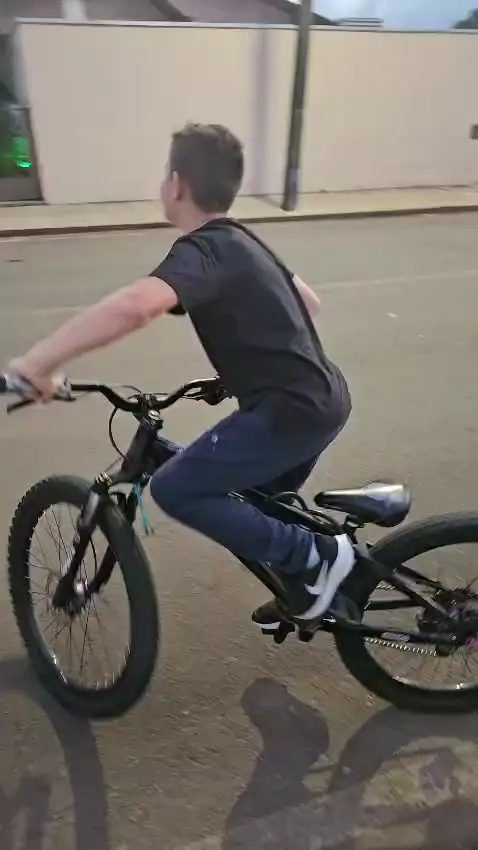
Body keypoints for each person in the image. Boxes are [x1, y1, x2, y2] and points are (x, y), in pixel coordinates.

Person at [7, 122, 354, 630]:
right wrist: (243, 369)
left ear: (175, 184)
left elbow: (136, 306)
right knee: (256, 502)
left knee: (177, 487)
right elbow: (308, 303)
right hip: (323, 397)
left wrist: (35, 364)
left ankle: (314, 556)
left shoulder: (203, 249)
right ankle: (305, 589)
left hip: (290, 411)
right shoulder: (242, 239)